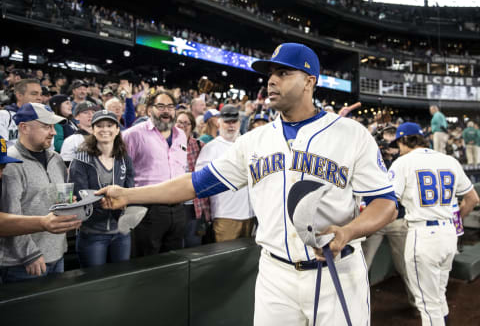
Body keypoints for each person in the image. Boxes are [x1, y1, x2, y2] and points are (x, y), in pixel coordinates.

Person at [97, 43, 397, 325]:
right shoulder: (253, 141)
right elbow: (194, 184)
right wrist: (129, 194)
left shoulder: (351, 134)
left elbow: (385, 204)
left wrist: (349, 231)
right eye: (270, 74)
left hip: (337, 273)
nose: (272, 81)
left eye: (283, 73)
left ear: (309, 81)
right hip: (275, 275)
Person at [388, 122, 479, 326]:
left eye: (399, 143)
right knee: (439, 296)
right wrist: (454, 221)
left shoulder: (403, 163)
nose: (398, 148)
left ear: (404, 140)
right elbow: (472, 199)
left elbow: (388, 203)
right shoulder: (449, 160)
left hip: (423, 236)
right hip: (449, 234)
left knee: (427, 305)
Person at [0, 103, 70, 283]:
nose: (53, 132)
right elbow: (10, 217)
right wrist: (29, 254)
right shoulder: (10, 164)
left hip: (57, 252)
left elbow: (59, 199)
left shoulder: (57, 158)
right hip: (25, 262)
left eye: (53, 126)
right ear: (24, 127)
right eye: (46, 126)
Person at [122, 90, 187, 256]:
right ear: (149, 109)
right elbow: (122, 172)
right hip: (147, 209)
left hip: (178, 208)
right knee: (146, 263)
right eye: (161, 106)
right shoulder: (132, 135)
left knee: (174, 261)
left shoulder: (181, 135)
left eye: (171, 106)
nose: (166, 111)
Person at [69, 110, 134, 268]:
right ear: (93, 129)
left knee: (121, 279)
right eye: (99, 126)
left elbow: (130, 188)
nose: (105, 129)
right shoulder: (81, 159)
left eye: (110, 125)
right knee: (95, 284)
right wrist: (106, 202)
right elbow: (79, 193)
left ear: (117, 129)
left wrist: (126, 202)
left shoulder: (124, 158)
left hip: (121, 232)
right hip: (93, 233)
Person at [0, 135, 81, 236]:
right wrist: (43, 223)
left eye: (2, 167)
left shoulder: (55, 158)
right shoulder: (15, 156)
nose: (1, 174)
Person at [195, 105, 255, 242]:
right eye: (227, 122)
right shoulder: (210, 148)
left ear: (239, 123)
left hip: (250, 213)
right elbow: (200, 182)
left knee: (248, 260)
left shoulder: (248, 144)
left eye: (234, 122)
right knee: (226, 261)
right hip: (226, 214)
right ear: (219, 122)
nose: (231, 125)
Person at [175, 110, 210, 247]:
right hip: (174, 205)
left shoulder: (200, 146)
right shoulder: (166, 144)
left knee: (193, 246)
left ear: (192, 126)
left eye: (186, 123)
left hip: (194, 207)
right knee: (175, 247)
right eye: (179, 122)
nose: (182, 125)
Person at [0, 79, 42, 147]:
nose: (39, 98)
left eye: (41, 94)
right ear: (19, 96)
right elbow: (2, 150)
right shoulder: (4, 116)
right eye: (34, 94)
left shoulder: (43, 118)